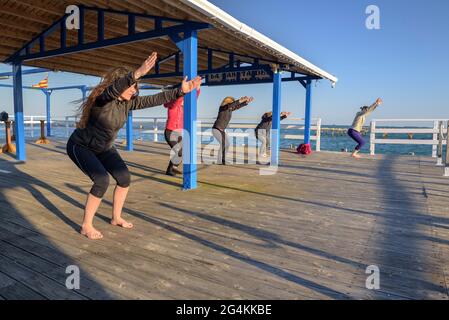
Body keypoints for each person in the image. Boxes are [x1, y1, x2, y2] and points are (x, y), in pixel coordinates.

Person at [66, 52, 201, 240]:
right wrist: (136, 74)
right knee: (102, 180)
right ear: (118, 85)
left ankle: (116, 217)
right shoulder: (102, 100)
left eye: (135, 87)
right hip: (81, 146)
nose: (134, 90)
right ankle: (86, 225)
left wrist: (181, 91)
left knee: (124, 178)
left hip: (104, 148)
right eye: (131, 86)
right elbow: (111, 92)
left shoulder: (128, 104)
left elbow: (154, 99)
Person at [163, 86, 201, 176]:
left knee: (181, 151)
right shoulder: (172, 104)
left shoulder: (183, 107)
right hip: (170, 132)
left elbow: (194, 98)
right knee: (178, 151)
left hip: (178, 132)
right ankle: (170, 170)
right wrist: (182, 92)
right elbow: (177, 101)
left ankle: (173, 168)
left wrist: (198, 88)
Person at [212, 96, 254, 165]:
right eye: (232, 102)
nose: (234, 104)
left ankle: (223, 160)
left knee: (227, 144)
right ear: (228, 102)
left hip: (222, 130)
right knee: (223, 144)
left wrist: (246, 102)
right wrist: (240, 100)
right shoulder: (223, 108)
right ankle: (220, 161)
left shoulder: (229, 109)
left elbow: (237, 106)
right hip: (216, 129)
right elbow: (231, 105)